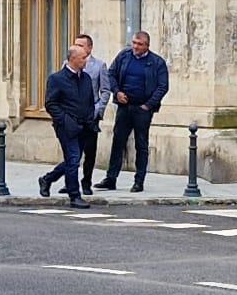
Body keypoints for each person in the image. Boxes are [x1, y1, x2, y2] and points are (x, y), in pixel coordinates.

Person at [100, 31, 169, 192]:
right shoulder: (124, 56)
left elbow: (163, 86)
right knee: (118, 142)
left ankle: (139, 181)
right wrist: (117, 92)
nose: (135, 47)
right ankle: (111, 178)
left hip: (142, 109)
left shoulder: (157, 62)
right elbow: (111, 74)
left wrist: (148, 105)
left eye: (139, 44)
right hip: (124, 107)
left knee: (141, 144)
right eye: (134, 43)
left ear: (147, 46)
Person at [38, 44, 95, 209]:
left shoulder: (86, 78)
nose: (86, 61)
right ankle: (74, 195)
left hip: (84, 126)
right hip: (67, 127)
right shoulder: (57, 79)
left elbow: (90, 101)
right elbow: (51, 103)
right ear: (73, 59)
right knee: (73, 159)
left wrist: (90, 118)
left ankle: (47, 179)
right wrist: (64, 120)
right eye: (83, 58)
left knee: (72, 160)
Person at [74, 33, 110, 195]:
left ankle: (86, 181)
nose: (77, 48)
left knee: (90, 151)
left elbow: (105, 91)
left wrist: (98, 110)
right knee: (73, 151)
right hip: (74, 116)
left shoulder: (99, 66)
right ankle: (71, 182)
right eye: (76, 45)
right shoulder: (68, 64)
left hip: (91, 116)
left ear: (89, 48)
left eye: (81, 45)